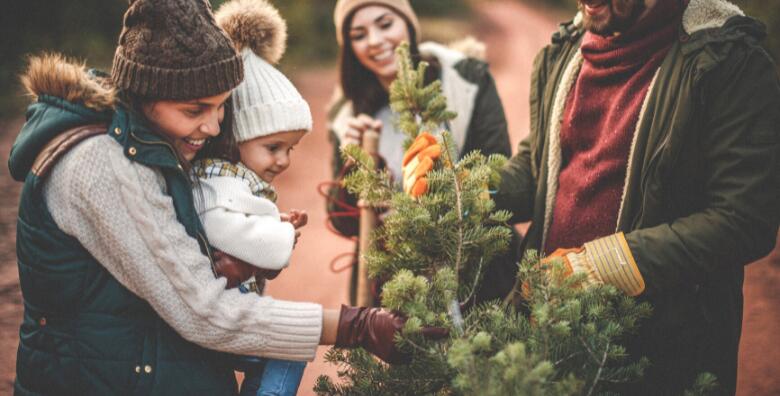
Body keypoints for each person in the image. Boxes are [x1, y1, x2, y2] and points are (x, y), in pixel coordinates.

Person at [9, 1, 442, 394]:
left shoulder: (155, 145)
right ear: (143, 95)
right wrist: (355, 326)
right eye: (195, 110)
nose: (215, 128)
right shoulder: (101, 164)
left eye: (221, 108)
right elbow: (204, 312)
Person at [491, 0, 780, 393]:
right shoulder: (565, 50)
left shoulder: (728, 62)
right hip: (549, 334)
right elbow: (538, 165)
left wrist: (606, 265)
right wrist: (464, 190)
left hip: (658, 356)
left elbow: (745, 220)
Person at [327, 0, 520, 306]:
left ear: (408, 24)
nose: (375, 41)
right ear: (349, 47)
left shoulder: (465, 81)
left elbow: (495, 174)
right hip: (399, 288)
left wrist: (427, 206)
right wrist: (358, 166)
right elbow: (341, 221)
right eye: (359, 34)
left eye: (385, 24)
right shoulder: (350, 113)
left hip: (477, 273)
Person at [192, 2, 312, 395]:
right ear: (236, 135)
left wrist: (275, 224)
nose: (283, 160)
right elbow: (219, 224)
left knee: (287, 346)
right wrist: (278, 238)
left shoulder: (236, 179)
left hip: (230, 315)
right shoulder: (216, 179)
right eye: (274, 146)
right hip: (215, 320)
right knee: (289, 345)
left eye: (291, 148)